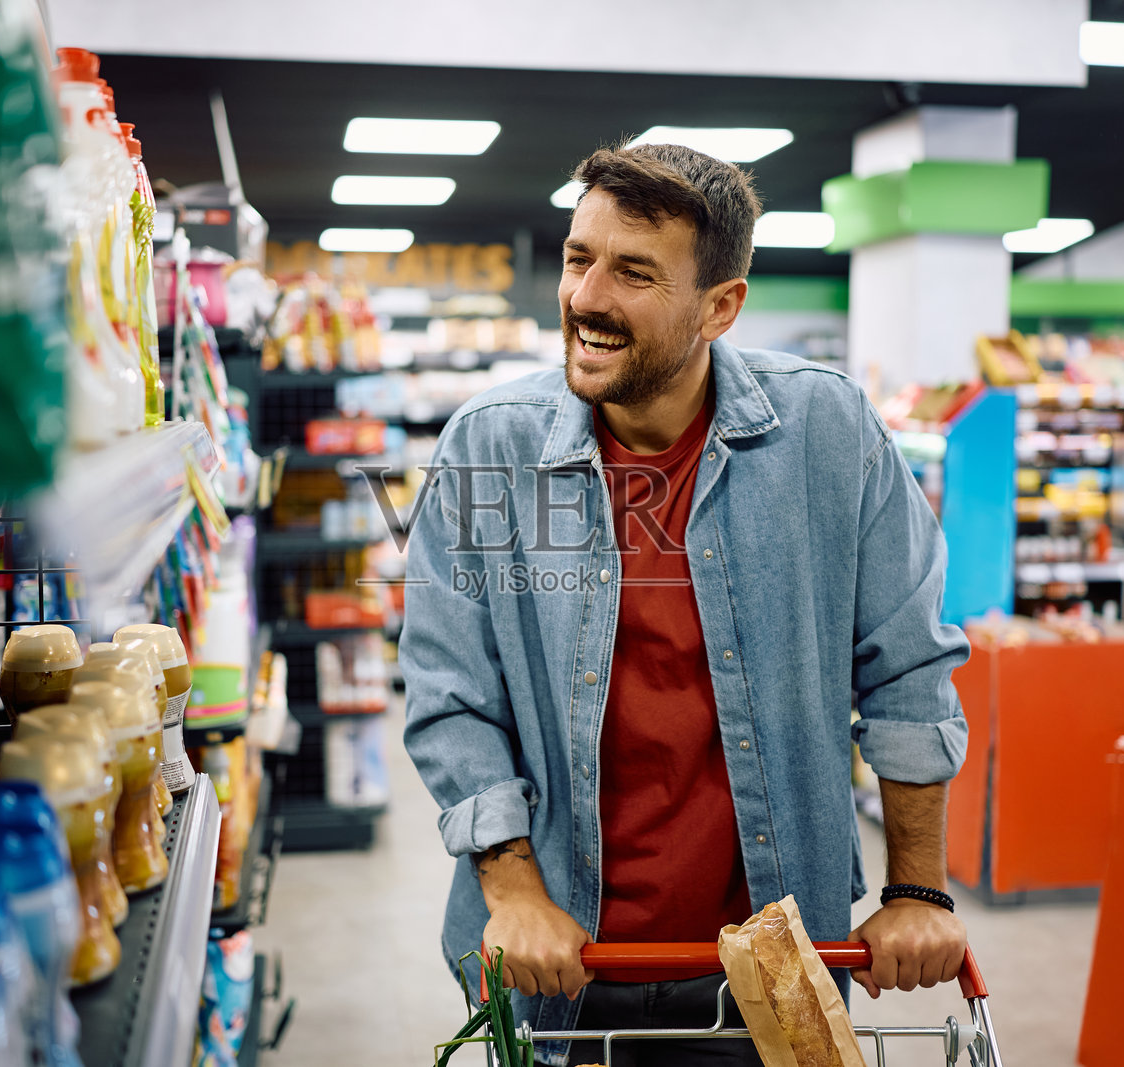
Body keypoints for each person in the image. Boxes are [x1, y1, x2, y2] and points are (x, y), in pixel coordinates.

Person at [400, 141, 970, 1067]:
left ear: (720, 306)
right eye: (579, 258)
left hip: (774, 964)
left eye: (634, 273)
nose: (587, 297)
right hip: (563, 965)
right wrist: (512, 890)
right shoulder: (488, 447)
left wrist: (918, 889)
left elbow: (908, 664)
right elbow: (449, 690)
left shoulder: (827, 433)